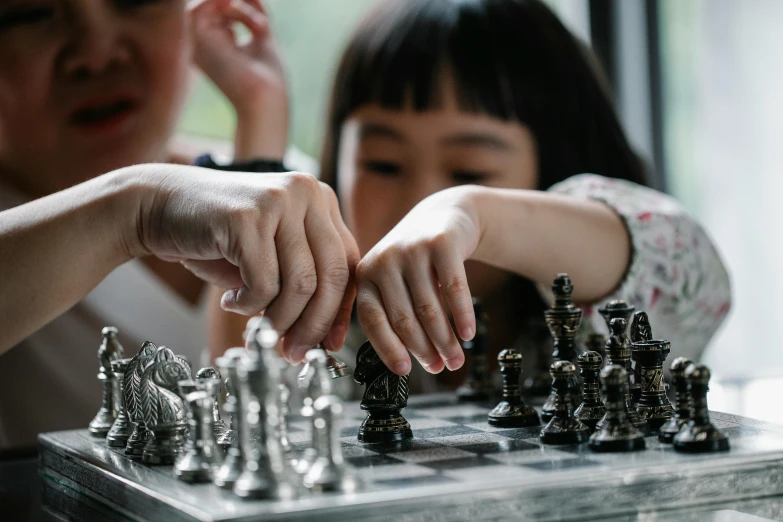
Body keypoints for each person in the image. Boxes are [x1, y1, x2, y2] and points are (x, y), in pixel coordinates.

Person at [215, 0, 731, 385]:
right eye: (383, 164)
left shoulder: (592, 326)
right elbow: (239, 391)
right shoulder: (335, 325)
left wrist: (473, 214)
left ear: (553, 167)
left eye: (470, 169)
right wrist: (259, 115)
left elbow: (691, 270)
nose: (420, 201)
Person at [0, 0, 343, 451]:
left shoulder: (296, 183)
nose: (98, 54)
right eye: (33, 13)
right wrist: (136, 210)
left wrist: (260, 123)